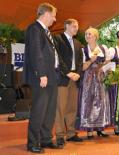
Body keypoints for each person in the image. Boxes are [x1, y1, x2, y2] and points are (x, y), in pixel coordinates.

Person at [23, 3, 61, 153]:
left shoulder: (45, 31)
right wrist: (42, 73)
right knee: (39, 110)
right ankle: (32, 142)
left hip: (52, 76)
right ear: (46, 14)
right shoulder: (34, 29)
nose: (54, 18)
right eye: (53, 15)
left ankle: (45, 139)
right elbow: (36, 52)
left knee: (49, 110)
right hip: (42, 76)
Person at [54, 19, 83, 146]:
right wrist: (67, 72)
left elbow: (81, 61)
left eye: (77, 26)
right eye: (74, 26)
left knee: (72, 107)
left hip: (75, 78)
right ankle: (60, 135)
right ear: (66, 26)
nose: (76, 28)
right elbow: (57, 58)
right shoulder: (58, 39)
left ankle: (71, 133)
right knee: (60, 108)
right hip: (63, 77)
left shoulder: (77, 43)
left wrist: (78, 73)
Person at [78, 27, 110, 139]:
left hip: (100, 78)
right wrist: (90, 61)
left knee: (101, 102)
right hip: (88, 79)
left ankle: (100, 128)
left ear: (96, 36)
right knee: (89, 102)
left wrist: (103, 68)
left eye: (89, 34)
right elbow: (82, 67)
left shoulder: (103, 48)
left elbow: (107, 62)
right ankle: (89, 130)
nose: (87, 36)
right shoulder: (84, 50)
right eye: (86, 34)